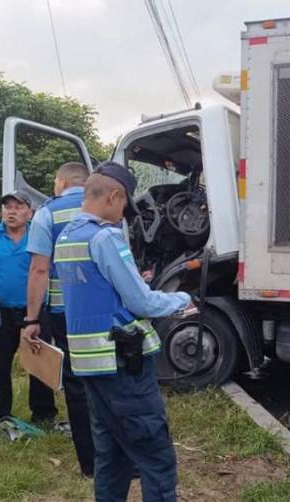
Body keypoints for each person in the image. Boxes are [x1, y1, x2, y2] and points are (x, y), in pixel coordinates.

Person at [46, 161, 190, 501]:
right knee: (156, 458)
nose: (124, 212)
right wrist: (182, 298)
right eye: (124, 203)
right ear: (113, 196)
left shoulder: (67, 237)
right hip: (122, 364)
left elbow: (93, 292)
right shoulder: (104, 237)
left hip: (90, 366)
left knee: (111, 454)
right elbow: (143, 304)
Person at [20, 161, 95, 476]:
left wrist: (31, 319)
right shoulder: (105, 206)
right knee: (108, 380)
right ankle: (120, 457)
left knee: (77, 385)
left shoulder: (47, 214)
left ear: (61, 181)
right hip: (104, 312)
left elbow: (39, 270)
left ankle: (91, 464)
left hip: (67, 312)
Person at [0, 190, 57, 426]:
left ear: (30, 212)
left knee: (39, 363)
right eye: (7, 207)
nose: (11, 211)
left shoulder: (40, 237)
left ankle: (44, 414)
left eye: (18, 207)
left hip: (34, 311)